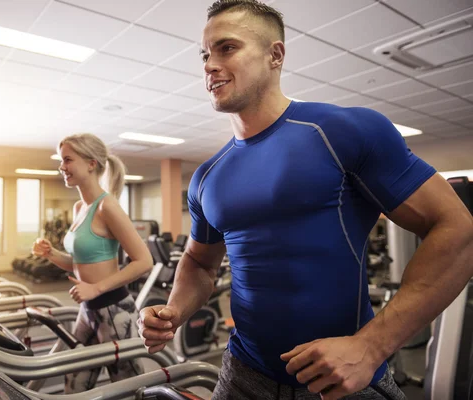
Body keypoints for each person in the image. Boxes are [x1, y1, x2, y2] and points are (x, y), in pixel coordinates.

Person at [136, 1, 473, 399]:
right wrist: (176, 309)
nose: (209, 63)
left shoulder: (342, 131)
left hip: (341, 379)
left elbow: (458, 229)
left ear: (275, 55)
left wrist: (371, 346)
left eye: (226, 48)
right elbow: (197, 261)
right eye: (205, 54)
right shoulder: (208, 176)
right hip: (243, 375)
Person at [32, 133, 153, 393]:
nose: (61, 166)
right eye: (60, 160)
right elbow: (77, 263)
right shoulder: (80, 208)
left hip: (114, 310)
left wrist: (96, 288)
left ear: (91, 163)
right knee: (74, 384)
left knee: (127, 389)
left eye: (67, 159)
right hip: (88, 310)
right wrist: (51, 254)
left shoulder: (107, 206)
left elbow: (144, 261)